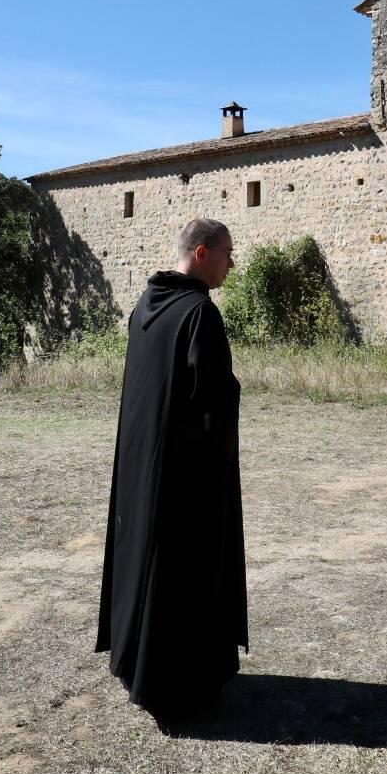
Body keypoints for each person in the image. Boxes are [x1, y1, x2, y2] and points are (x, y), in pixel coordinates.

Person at [96, 217, 248, 722]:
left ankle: (138, 663)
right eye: (227, 252)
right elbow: (211, 403)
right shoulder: (199, 312)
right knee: (183, 575)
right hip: (185, 476)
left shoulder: (147, 305)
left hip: (145, 468)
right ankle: (180, 684)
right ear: (202, 253)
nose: (232, 262)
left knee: (150, 564)